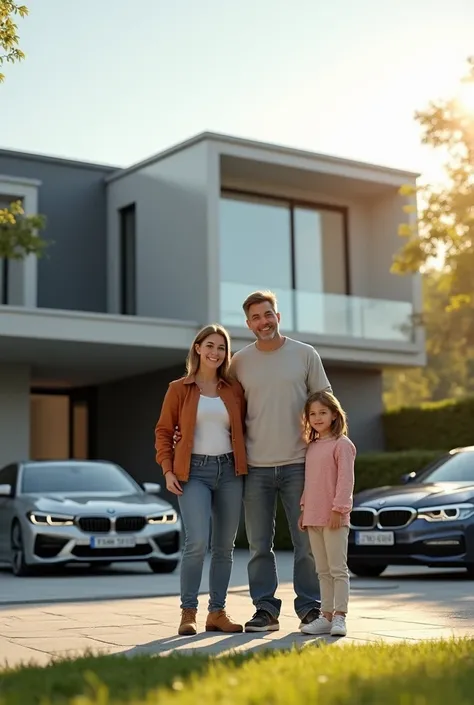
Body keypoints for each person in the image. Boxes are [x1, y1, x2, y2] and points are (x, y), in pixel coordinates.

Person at [230, 290, 332, 633]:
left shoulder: (305, 354)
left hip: (299, 464)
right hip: (255, 467)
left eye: (268, 314)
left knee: (306, 543)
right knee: (259, 545)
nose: (263, 322)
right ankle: (265, 610)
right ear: (248, 324)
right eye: (256, 317)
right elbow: (227, 410)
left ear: (278, 316)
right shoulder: (239, 362)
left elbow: (326, 404)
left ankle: (309, 607)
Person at [155, 324, 247, 637]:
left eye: (221, 347)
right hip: (192, 472)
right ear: (197, 348)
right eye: (210, 345)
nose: (215, 352)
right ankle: (188, 613)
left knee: (224, 547)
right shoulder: (179, 388)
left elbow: (244, 428)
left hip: (229, 472)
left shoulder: (233, 389)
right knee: (196, 542)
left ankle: (217, 613)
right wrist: (168, 469)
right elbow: (164, 432)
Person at [298, 391, 356, 638]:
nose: (317, 417)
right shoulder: (312, 447)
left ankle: (340, 617)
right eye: (313, 413)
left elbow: (345, 480)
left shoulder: (343, 445)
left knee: (337, 569)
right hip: (312, 516)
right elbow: (310, 482)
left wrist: (338, 509)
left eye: (323, 412)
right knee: (322, 570)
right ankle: (326, 616)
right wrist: (304, 510)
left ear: (334, 415)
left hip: (334, 516)